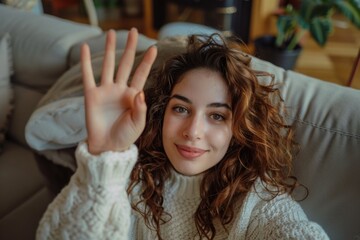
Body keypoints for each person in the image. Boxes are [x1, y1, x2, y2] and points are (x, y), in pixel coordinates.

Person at [36, 28, 329, 240]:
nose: (192, 132)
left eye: (216, 116)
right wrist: (104, 158)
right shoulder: (124, 178)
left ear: (238, 129)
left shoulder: (259, 203)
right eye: (181, 109)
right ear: (161, 112)